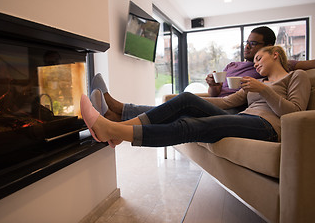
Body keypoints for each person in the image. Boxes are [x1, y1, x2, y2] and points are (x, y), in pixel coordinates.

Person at [81, 46, 311, 148]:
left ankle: (114, 128)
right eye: (255, 61)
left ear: (275, 54)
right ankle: (117, 127)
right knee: (185, 100)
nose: (256, 63)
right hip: (243, 119)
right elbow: (225, 103)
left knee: (190, 125)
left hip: (268, 127)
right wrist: (188, 103)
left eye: (260, 58)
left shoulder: (296, 76)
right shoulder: (257, 83)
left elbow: (295, 114)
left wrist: (265, 91)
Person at [91, 26, 315, 121]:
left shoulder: (272, 67)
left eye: (253, 44)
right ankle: (118, 114)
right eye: (246, 43)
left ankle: (120, 111)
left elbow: (300, 68)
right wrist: (213, 84)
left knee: (183, 103)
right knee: (181, 102)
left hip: (235, 105)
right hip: (220, 99)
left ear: (271, 49)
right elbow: (215, 92)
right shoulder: (235, 64)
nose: (247, 47)